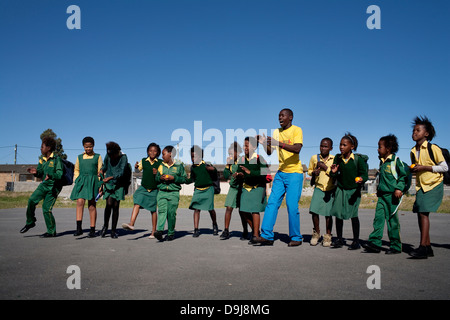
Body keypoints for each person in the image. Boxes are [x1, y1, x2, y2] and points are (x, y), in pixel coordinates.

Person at [256, 108, 304, 247]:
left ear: (290, 117)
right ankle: (266, 236)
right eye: (278, 116)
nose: (280, 118)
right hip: (281, 173)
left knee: (291, 205)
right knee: (272, 203)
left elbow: (297, 149)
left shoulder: (297, 130)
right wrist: (265, 143)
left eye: (282, 115)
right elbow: (270, 152)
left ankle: (296, 237)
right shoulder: (276, 132)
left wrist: (278, 143)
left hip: (295, 173)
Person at [409, 116, 448, 259]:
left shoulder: (433, 148)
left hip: (433, 184)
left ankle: (422, 247)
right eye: (413, 130)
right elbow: (417, 168)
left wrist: (425, 167)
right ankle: (428, 247)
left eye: (418, 130)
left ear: (426, 134)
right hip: (421, 186)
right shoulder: (413, 151)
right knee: (420, 214)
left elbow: (444, 167)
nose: (414, 132)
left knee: (424, 214)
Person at [364, 134, 407, 255]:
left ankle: (396, 246)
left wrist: (399, 188)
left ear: (387, 149)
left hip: (392, 196)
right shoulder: (382, 162)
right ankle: (375, 243)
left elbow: (403, 176)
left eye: (380, 147)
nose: (378, 149)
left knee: (392, 221)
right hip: (382, 196)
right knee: (378, 219)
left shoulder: (395, 161)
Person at [329, 133, 368, 250]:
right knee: (338, 214)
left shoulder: (358, 160)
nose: (341, 147)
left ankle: (356, 241)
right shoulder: (338, 158)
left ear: (351, 147)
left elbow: (364, 175)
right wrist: (334, 171)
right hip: (340, 189)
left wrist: (361, 179)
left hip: (353, 191)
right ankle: (339, 239)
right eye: (340, 144)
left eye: (344, 145)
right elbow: (332, 174)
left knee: (353, 215)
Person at [20, 137, 63, 237]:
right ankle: (30, 222)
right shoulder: (41, 160)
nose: (40, 149)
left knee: (46, 209)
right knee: (31, 200)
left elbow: (60, 174)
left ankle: (51, 231)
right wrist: (35, 172)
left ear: (48, 148)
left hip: (54, 187)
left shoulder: (57, 160)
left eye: (42, 147)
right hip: (44, 185)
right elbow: (40, 172)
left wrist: (51, 175)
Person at [122, 143, 162, 239]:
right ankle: (131, 223)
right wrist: (136, 167)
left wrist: (157, 173)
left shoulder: (160, 162)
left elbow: (162, 175)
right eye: (150, 151)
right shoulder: (143, 160)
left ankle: (153, 231)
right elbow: (137, 171)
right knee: (137, 202)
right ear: (148, 152)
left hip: (154, 189)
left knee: (153, 210)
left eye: (155, 151)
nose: (152, 152)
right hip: (144, 187)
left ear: (158, 153)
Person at [235, 137, 270, 244]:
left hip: (257, 187)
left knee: (255, 210)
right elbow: (239, 171)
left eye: (247, 145)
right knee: (243, 210)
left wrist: (250, 172)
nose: (245, 147)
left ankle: (255, 235)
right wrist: (239, 175)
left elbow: (265, 172)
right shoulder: (242, 159)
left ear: (254, 147)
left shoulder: (260, 158)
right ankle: (256, 231)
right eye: (244, 145)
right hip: (246, 187)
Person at [70, 137, 103, 238]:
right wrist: (76, 179)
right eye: (86, 147)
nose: (88, 149)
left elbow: (100, 171)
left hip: (93, 182)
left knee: (92, 205)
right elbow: (76, 169)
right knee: (80, 202)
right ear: (83, 146)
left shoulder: (98, 156)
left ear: (93, 146)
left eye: (90, 147)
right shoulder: (79, 157)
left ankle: (92, 229)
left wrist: (100, 185)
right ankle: (78, 228)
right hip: (82, 181)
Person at [154, 146, 187, 241]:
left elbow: (184, 179)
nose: (162, 156)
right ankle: (159, 231)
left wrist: (174, 178)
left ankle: (171, 233)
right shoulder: (161, 165)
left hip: (173, 193)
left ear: (170, 154)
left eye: (164, 154)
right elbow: (156, 178)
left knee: (171, 213)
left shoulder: (179, 166)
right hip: (162, 192)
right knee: (162, 211)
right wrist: (160, 178)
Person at [307, 138, 335, 247]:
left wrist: (325, 167)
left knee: (328, 214)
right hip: (318, 188)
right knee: (314, 210)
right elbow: (309, 171)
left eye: (326, 146)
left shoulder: (334, 159)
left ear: (331, 148)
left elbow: (334, 172)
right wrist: (314, 172)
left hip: (330, 189)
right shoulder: (314, 158)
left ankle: (327, 236)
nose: (323, 148)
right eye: (321, 146)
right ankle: (316, 233)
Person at [186, 145, 219, 237]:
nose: (193, 158)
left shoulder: (206, 164)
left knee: (210, 209)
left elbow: (214, 171)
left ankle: (215, 224)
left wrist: (212, 169)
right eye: (192, 156)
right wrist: (182, 180)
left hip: (208, 189)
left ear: (200, 156)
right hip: (198, 190)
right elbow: (191, 179)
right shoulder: (193, 167)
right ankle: (196, 229)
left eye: (195, 156)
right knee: (196, 209)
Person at [99, 141, 129, 239]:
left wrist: (111, 177)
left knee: (116, 206)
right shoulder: (108, 154)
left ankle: (113, 230)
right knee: (109, 204)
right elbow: (105, 166)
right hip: (109, 184)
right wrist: (102, 170)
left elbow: (121, 172)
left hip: (119, 184)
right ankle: (105, 226)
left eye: (113, 156)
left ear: (117, 152)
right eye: (109, 156)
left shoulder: (123, 157)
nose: (111, 158)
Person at [220, 142, 248, 240]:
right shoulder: (230, 163)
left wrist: (240, 175)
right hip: (233, 188)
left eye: (232, 154)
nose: (230, 156)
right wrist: (227, 165)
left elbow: (246, 172)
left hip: (241, 188)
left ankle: (245, 231)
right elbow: (226, 175)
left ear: (238, 152)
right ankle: (226, 230)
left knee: (242, 211)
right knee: (228, 208)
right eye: (229, 154)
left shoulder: (243, 160)